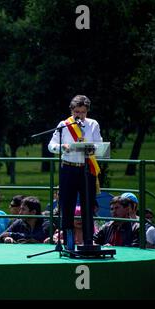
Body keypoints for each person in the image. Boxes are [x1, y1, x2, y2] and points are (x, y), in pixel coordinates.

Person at [48, 95, 103, 250]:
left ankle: (87, 242)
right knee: (67, 206)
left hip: (87, 169)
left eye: (83, 112)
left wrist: (92, 148)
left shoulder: (93, 124)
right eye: (77, 111)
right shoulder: (63, 125)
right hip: (69, 167)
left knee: (88, 205)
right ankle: (68, 242)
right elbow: (51, 145)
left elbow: (99, 145)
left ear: (87, 111)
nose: (80, 115)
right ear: (72, 110)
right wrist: (61, 147)